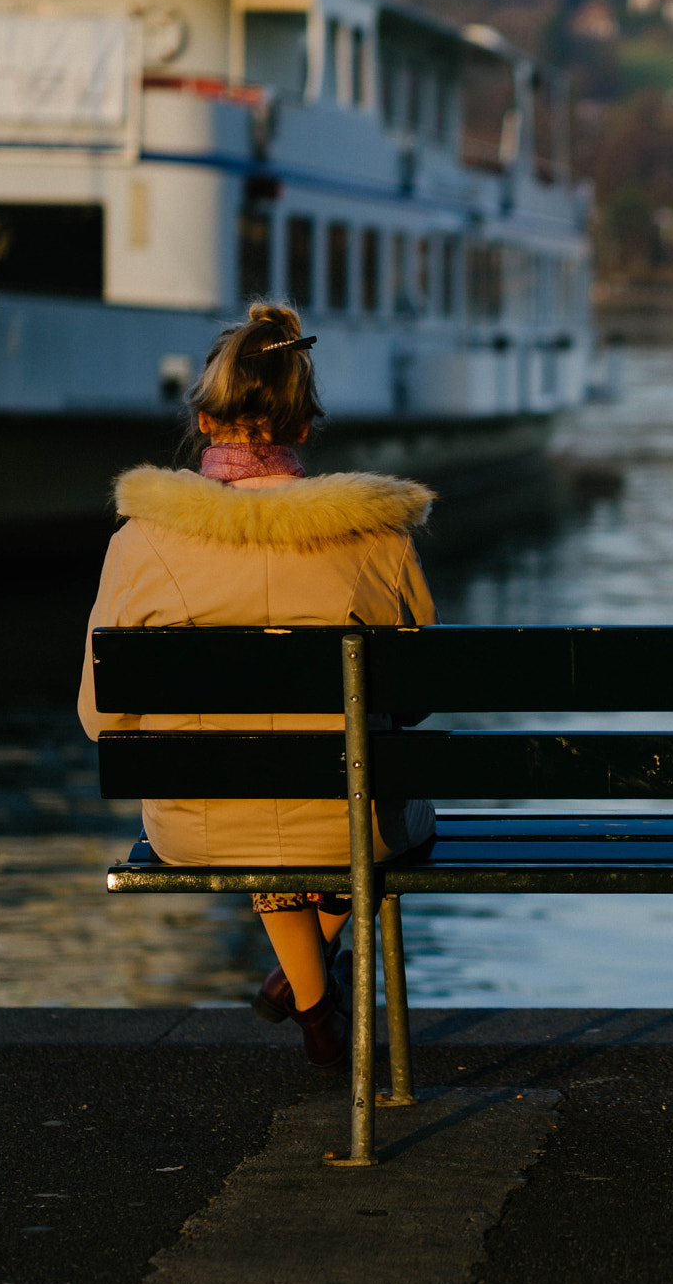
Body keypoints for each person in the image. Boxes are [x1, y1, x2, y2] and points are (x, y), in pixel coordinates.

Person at [78, 304, 438, 1068]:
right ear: (304, 427)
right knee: (366, 799)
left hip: (200, 822)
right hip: (352, 820)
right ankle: (306, 990)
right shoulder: (375, 532)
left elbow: (97, 716)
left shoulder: (141, 540)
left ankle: (312, 1005)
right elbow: (415, 695)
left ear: (206, 421)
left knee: (249, 791)